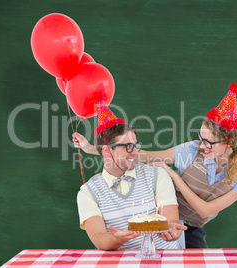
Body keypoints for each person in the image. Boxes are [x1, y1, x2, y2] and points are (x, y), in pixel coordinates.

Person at [74, 84, 237, 248]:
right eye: (201, 139)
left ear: (229, 142)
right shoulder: (191, 150)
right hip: (168, 218)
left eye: (209, 142)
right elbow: (146, 157)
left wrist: (175, 177)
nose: (202, 146)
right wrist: (93, 149)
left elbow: (205, 211)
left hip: (191, 226)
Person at [76, 103, 186, 250]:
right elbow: (99, 238)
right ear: (107, 151)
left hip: (164, 259)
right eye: (127, 146)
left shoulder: (157, 174)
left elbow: (171, 219)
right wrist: (117, 239)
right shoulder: (88, 192)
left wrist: (173, 228)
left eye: (135, 145)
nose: (134, 152)